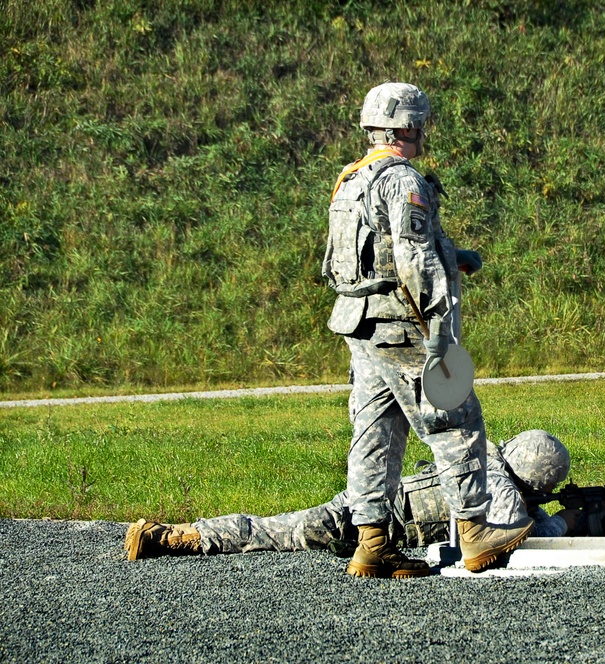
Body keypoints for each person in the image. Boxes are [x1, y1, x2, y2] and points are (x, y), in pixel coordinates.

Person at [127, 83, 531, 579]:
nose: (423, 131)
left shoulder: (352, 179)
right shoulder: (403, 180)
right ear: (405, 125)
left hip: (361, 324)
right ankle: (474, 532)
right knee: (455, 415)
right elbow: (413, 257)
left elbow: (363, 252)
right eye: (419, 123)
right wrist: (442, 330)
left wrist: (456, 256)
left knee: (375, 433)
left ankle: (373, 542)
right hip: (402, 321)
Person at [124, 431, 605, 562]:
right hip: (374, 524)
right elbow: (534, 536)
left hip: (373, 498)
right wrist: (575, 517)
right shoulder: (511, 504)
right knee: (274, 535)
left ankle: (177, 534)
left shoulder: (482, 453)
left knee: (276, 528)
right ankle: (172, 538)